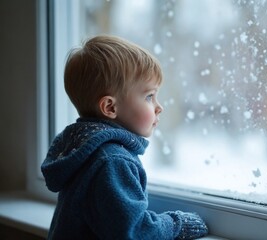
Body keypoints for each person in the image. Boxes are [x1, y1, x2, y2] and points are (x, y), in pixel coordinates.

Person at [41, 35, 208, 240]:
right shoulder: (112, 161)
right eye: (149, 96)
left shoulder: (83, 150)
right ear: (110, 107)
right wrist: (177, 224)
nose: (159, 107)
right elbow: (134, 232)